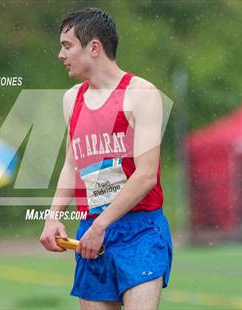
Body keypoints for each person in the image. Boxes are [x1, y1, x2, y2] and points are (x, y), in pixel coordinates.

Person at [40, 8, 172, 310]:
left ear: (94, 48)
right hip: (92, 227)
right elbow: (73, 164)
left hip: (139, 229)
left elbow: (146, 175)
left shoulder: (142, 93)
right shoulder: (72, 98)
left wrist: (101, 225)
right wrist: (53, 216)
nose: (61, 55)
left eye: (67, 45)